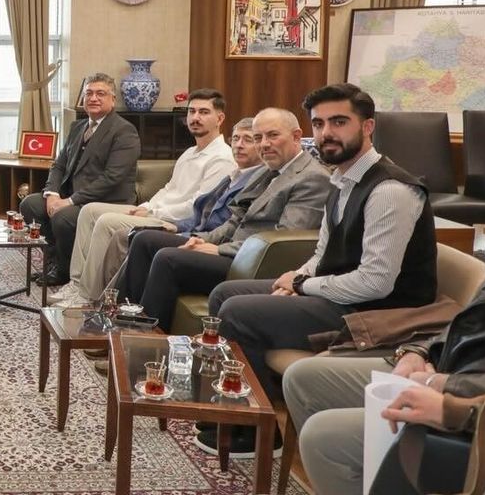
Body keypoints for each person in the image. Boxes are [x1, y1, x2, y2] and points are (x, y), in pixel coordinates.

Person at [200, 84, 438, 458]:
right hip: (342, 295)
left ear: (368, 126)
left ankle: (258, 435)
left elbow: (376, 282)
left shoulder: (390, 189)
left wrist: (303, 284)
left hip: (379, 312)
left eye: (339, 122)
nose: (326, 132)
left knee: (237, 312)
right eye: (319, 123)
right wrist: (297, 278)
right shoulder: (341, 179)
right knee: (225, 293)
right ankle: (240, 406)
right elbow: (323, 253)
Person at [122, 108, 330, 332]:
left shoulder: (312, 178)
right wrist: (202, 240)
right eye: (258, 137)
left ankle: (146, 336)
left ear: (296, 136)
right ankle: (122, 318)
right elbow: (234, 221)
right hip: (233, 250)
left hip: (254, 263)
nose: (264, 144)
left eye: (272, 135)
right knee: (146, 239)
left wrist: (219, 250)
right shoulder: (266, 170)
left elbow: (282, 241)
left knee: (168, 258)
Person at [283, 281, 485, 494]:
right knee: (301, 378)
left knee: (322, 436)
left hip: (470, 412)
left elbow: (375, 282)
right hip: (443, 369)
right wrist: (417, 351)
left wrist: (443, 387)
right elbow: (466, 323)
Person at [64, 88, 235, 303]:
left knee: (107, 222)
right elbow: (168, 189)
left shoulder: (221, 159)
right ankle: (75, 283)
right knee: (90, 210)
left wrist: (153, 211)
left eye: (204, 112)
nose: (195, 118)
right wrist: (146, 206)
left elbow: (197, 207)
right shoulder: (190, 152)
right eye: (192, 111)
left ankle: (86, 297)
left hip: (173, 221)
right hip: (155, 211)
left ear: (220, 118)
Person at [19, 73, 141, 287]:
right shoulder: (78, 127)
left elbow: (111, 178)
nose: (93, 98)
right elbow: (59, 165)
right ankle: (55, 260)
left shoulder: (124, 131)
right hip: (72, 196)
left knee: (63, 217)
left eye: (100, 94)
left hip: (107, 201)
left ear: (113, 99)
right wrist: (52, 194)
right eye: (89, 93)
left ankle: (65, 271)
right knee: (30, 204)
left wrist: (70, 201)